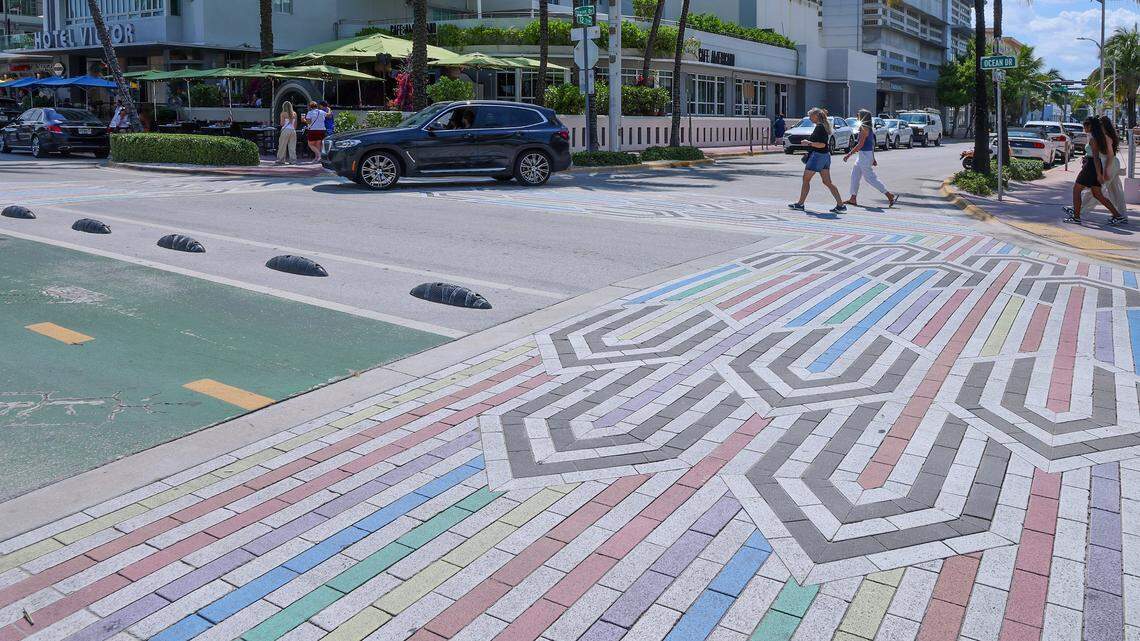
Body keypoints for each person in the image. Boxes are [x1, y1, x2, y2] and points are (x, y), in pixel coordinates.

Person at [1065, 115, 1127, 225]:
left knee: (1077, 190)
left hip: (1091, 167)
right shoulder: (1097, 137)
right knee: (1097, 194)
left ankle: (1076, 217)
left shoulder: (1094, 139)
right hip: (1094, 167)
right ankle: (1118, 216)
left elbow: (1096, 158)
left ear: (1090, 126)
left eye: (1085, 126)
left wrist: (1099, 174)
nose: (1084, 128)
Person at [788, 107, 846, 214]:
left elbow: (822, 144)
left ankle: (800, 204)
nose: (809, 118)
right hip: (825, 156)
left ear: (816, 116)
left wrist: (808, 143)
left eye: (810, 116)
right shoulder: (823, 126)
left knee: (806, 179)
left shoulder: (820, 127)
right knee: (827, 182)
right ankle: (840, 205)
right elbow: (823, 144)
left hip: (818, 156)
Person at [843, 109, 898, 208]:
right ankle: (853, 198)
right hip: (864, 155)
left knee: (870, 178)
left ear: (863, 117)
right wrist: (873, 158)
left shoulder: (865, 128)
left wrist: (849, 154)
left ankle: (889, 195)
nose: (857, 116)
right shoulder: (867, 128)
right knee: (855, 175)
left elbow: (860, 145)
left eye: (858, 115)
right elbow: (872, 144)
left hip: (864, 156)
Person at [276, 101, 297, 165]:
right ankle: (293, 160)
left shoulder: (283, 113)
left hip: (285, 130)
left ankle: (281, 160)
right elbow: (295, 125)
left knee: (282, 146)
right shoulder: (294, 113)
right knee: (292, 147)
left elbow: (282, 124)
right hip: (293, 131)